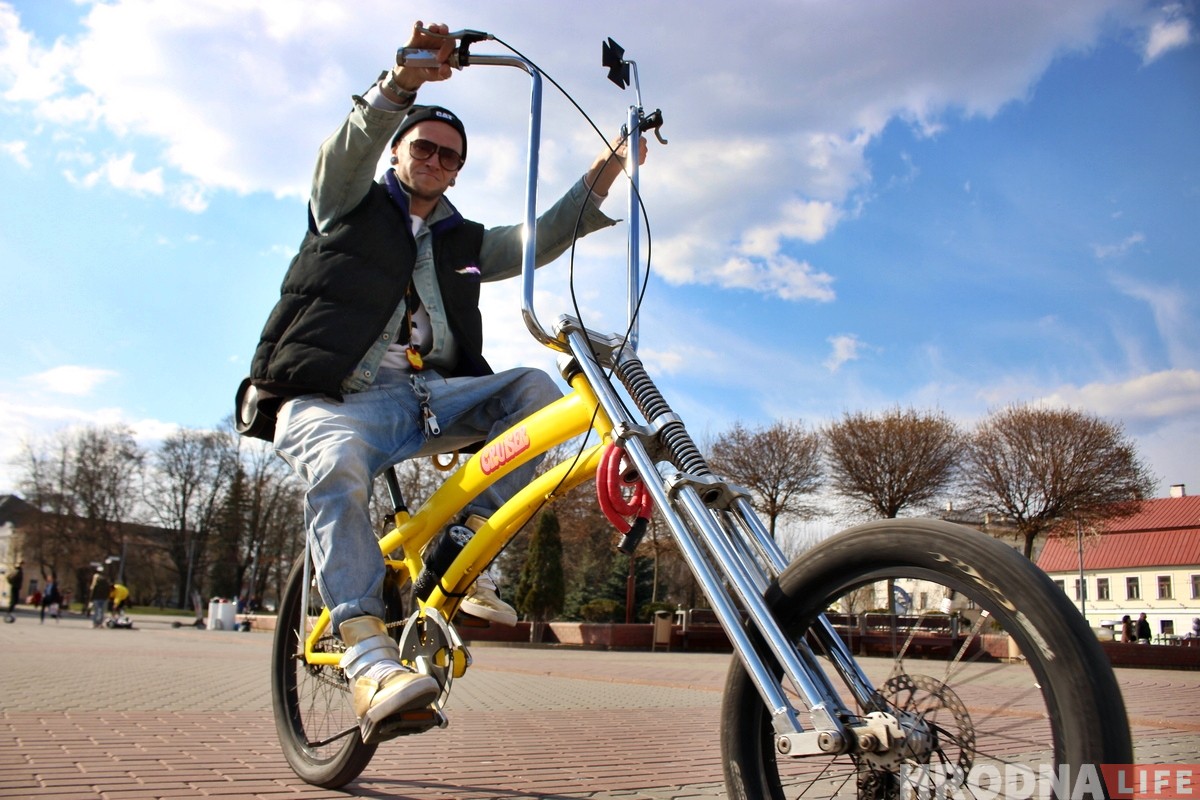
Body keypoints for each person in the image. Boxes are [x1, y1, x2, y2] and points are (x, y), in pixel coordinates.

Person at [247, 21, 646, 739]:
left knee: (535, 394)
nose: (434, 159)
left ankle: (461, 538)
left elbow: (544, 235)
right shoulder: (346, 206)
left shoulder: (463, 243)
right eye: (423, 147)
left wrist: (611, 164)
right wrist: (403, 83)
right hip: (334, 398)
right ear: (398, 151)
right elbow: (347, 151)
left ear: (458, 171)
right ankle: (365, 652)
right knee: (336, 463)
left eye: (448, 155)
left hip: (427, 400)